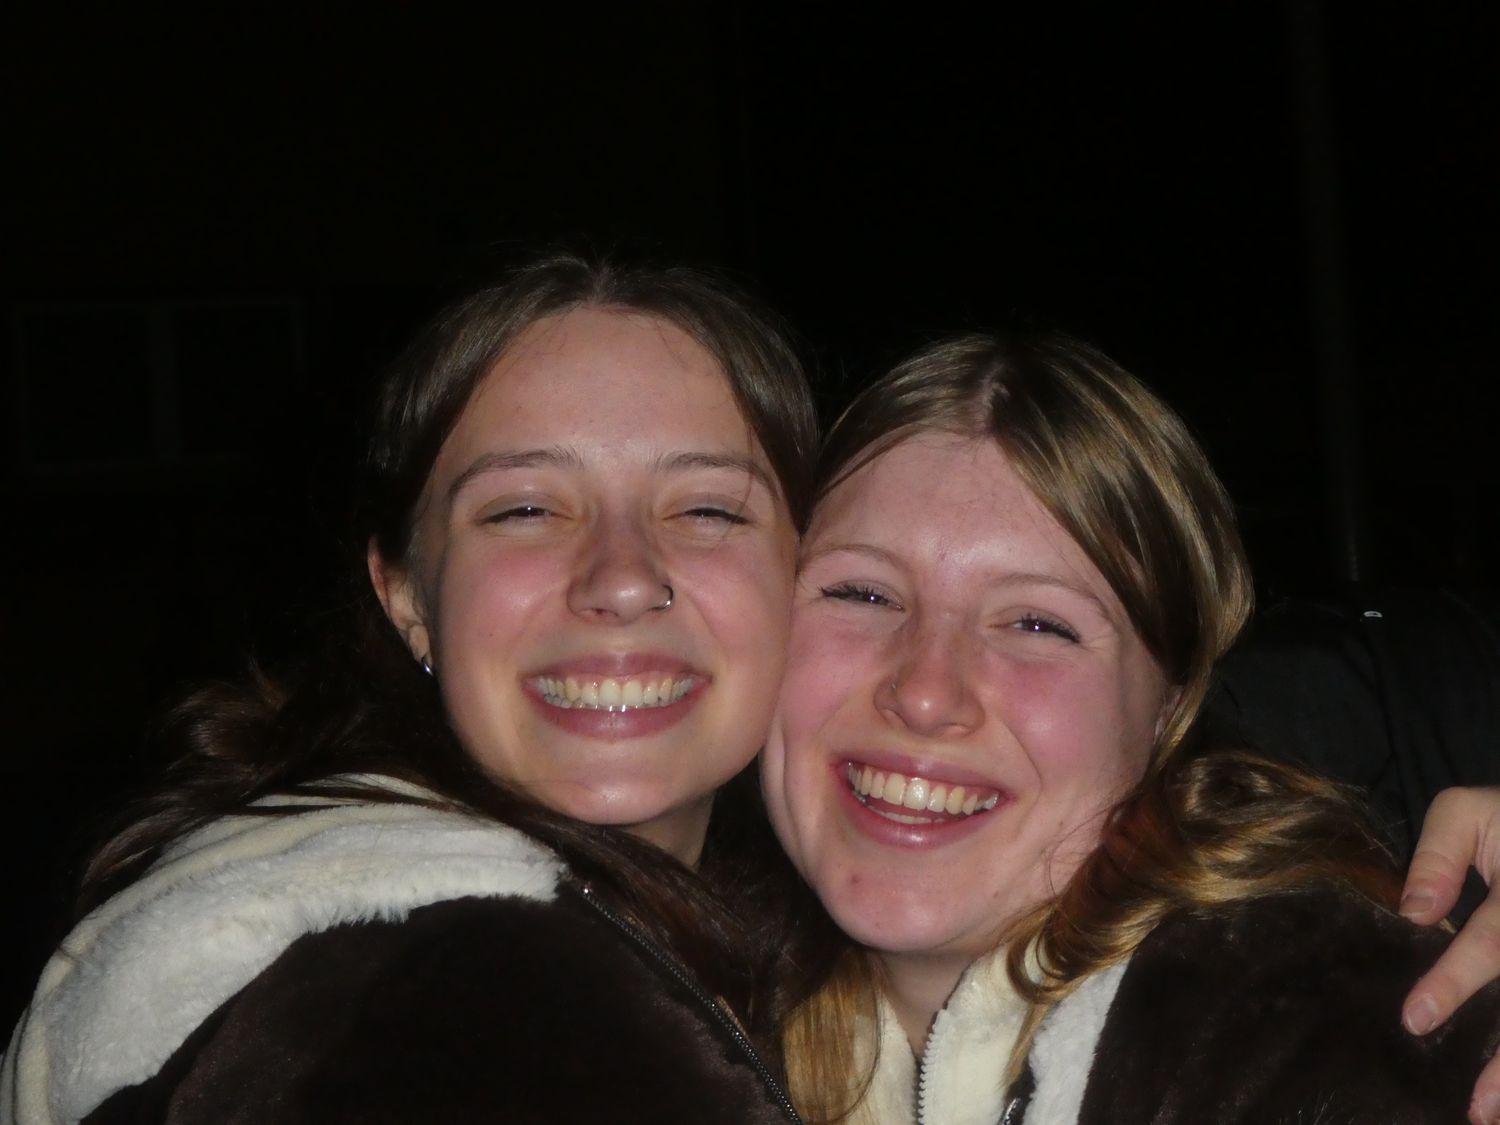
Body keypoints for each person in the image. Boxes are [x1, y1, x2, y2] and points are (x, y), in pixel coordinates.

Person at [1, 253, 818, 1124]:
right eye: (526, 509)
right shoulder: (427, 1015)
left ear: (805, 571)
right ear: (406, 596)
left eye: (707, 509)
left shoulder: (783, 953)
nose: (622, 579)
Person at [761, 331, 1500, 1124]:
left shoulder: (1318, 1041)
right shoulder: (698, 1028)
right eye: (863, 594)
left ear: (1168, 708)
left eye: (1038, 623)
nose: (925, 693)